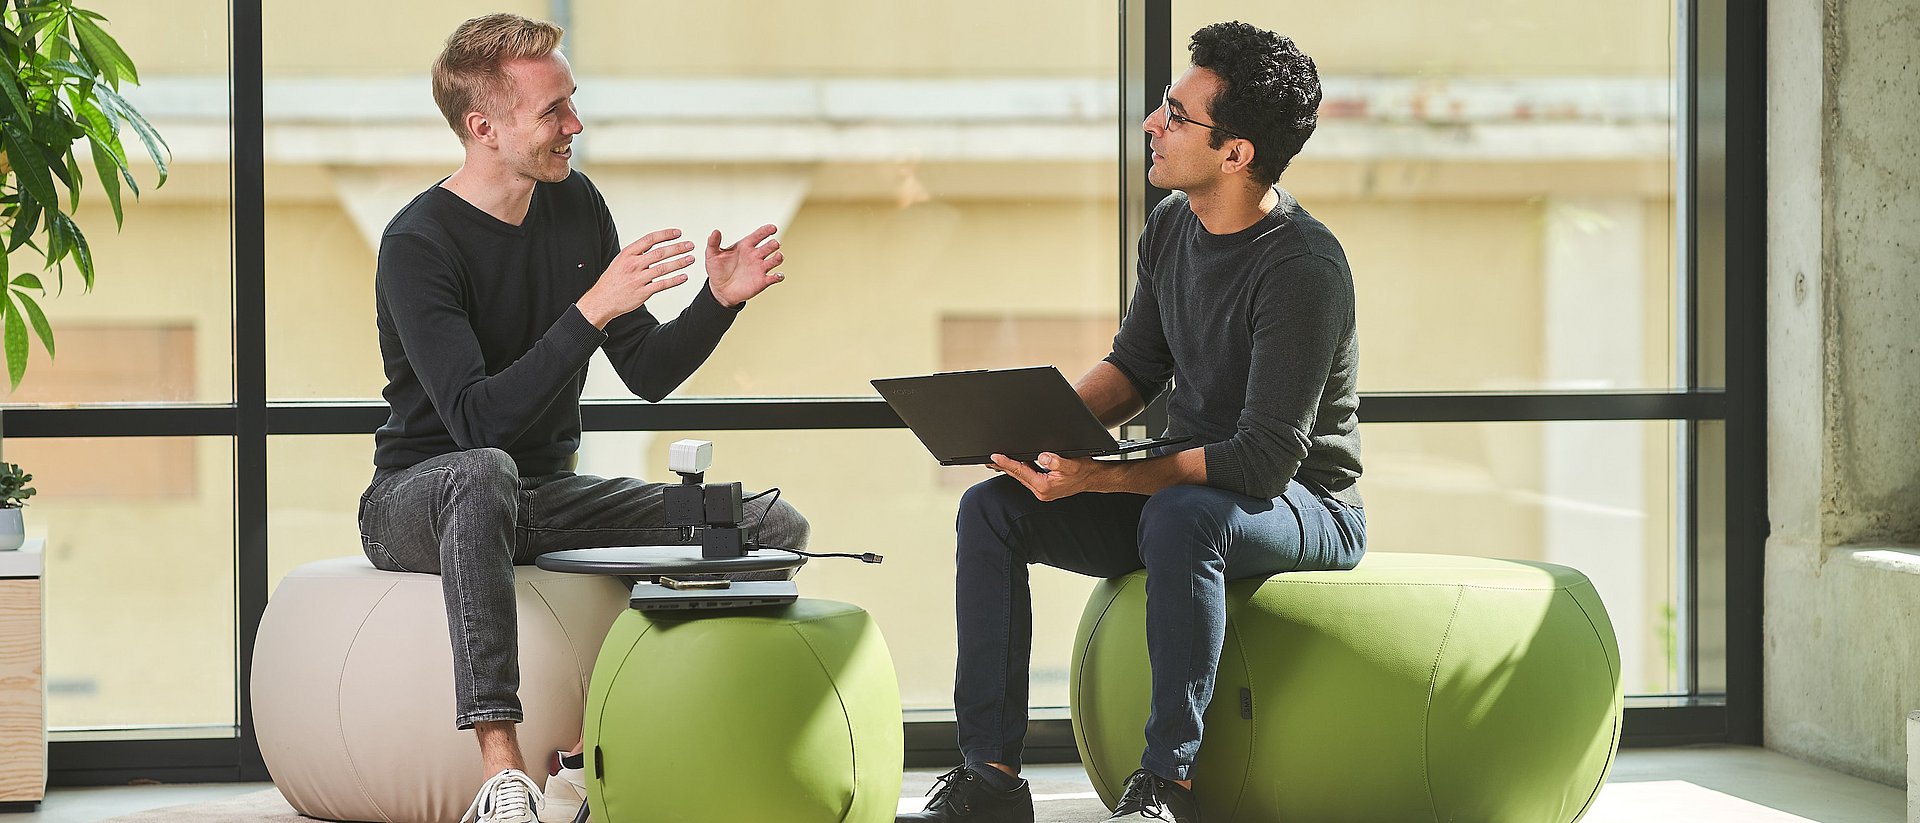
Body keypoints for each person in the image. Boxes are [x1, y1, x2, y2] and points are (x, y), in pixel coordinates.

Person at [899, 21, 1365, 823]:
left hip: (1308, 504)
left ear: (1235, 154)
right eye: (1162, 106)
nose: (1153, 123)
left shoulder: (1304, 268)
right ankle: (991, 776)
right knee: (992, 511)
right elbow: (1134, 368)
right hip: (1193, 491)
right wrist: (1047, 432)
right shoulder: (1172, 228)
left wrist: (1106, 475)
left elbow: (1261, 461)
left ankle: (1165, 785)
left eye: (1176, 116)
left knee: (1184, 515)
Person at [357, 13, 808, 823]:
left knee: (769, 522)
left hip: (541, 495)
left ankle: (631, 739)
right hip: (419, 498)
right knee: (484, 473)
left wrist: (717, 302)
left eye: (572, 101)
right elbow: (475, 423)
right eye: (553, 111)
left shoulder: (575, 206)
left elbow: (648, 372)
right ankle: (503, 774)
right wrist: (593, 307)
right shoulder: (418, 243)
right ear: (483, 127)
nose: (575, 123)